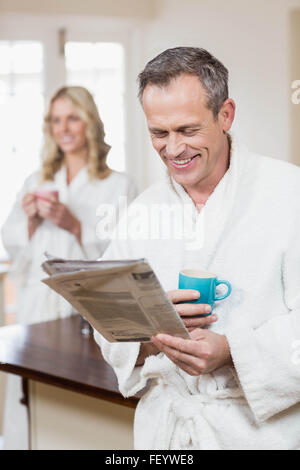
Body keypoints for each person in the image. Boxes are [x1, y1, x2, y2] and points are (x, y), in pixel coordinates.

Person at [94, 47, 300, 450]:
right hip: (166, 432)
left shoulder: (289, 194)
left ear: (226, 115)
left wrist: (232, 352)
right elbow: (108, 325)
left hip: (259, 435)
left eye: (188, 130)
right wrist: (151, 341)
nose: (173, 150)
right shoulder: (142, 211)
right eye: (159, 133)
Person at [1, 85, 137, 449]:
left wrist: (74, 225)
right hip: (36, 304)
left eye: (73, 118)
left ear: (90, 123)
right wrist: (30, 222)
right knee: (26, 389)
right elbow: (13, 241)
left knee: (78, 395)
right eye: (56, 120)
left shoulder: (119, 186)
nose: (64, 128)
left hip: (83, 310)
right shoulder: (37, 181)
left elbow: (125, 257)